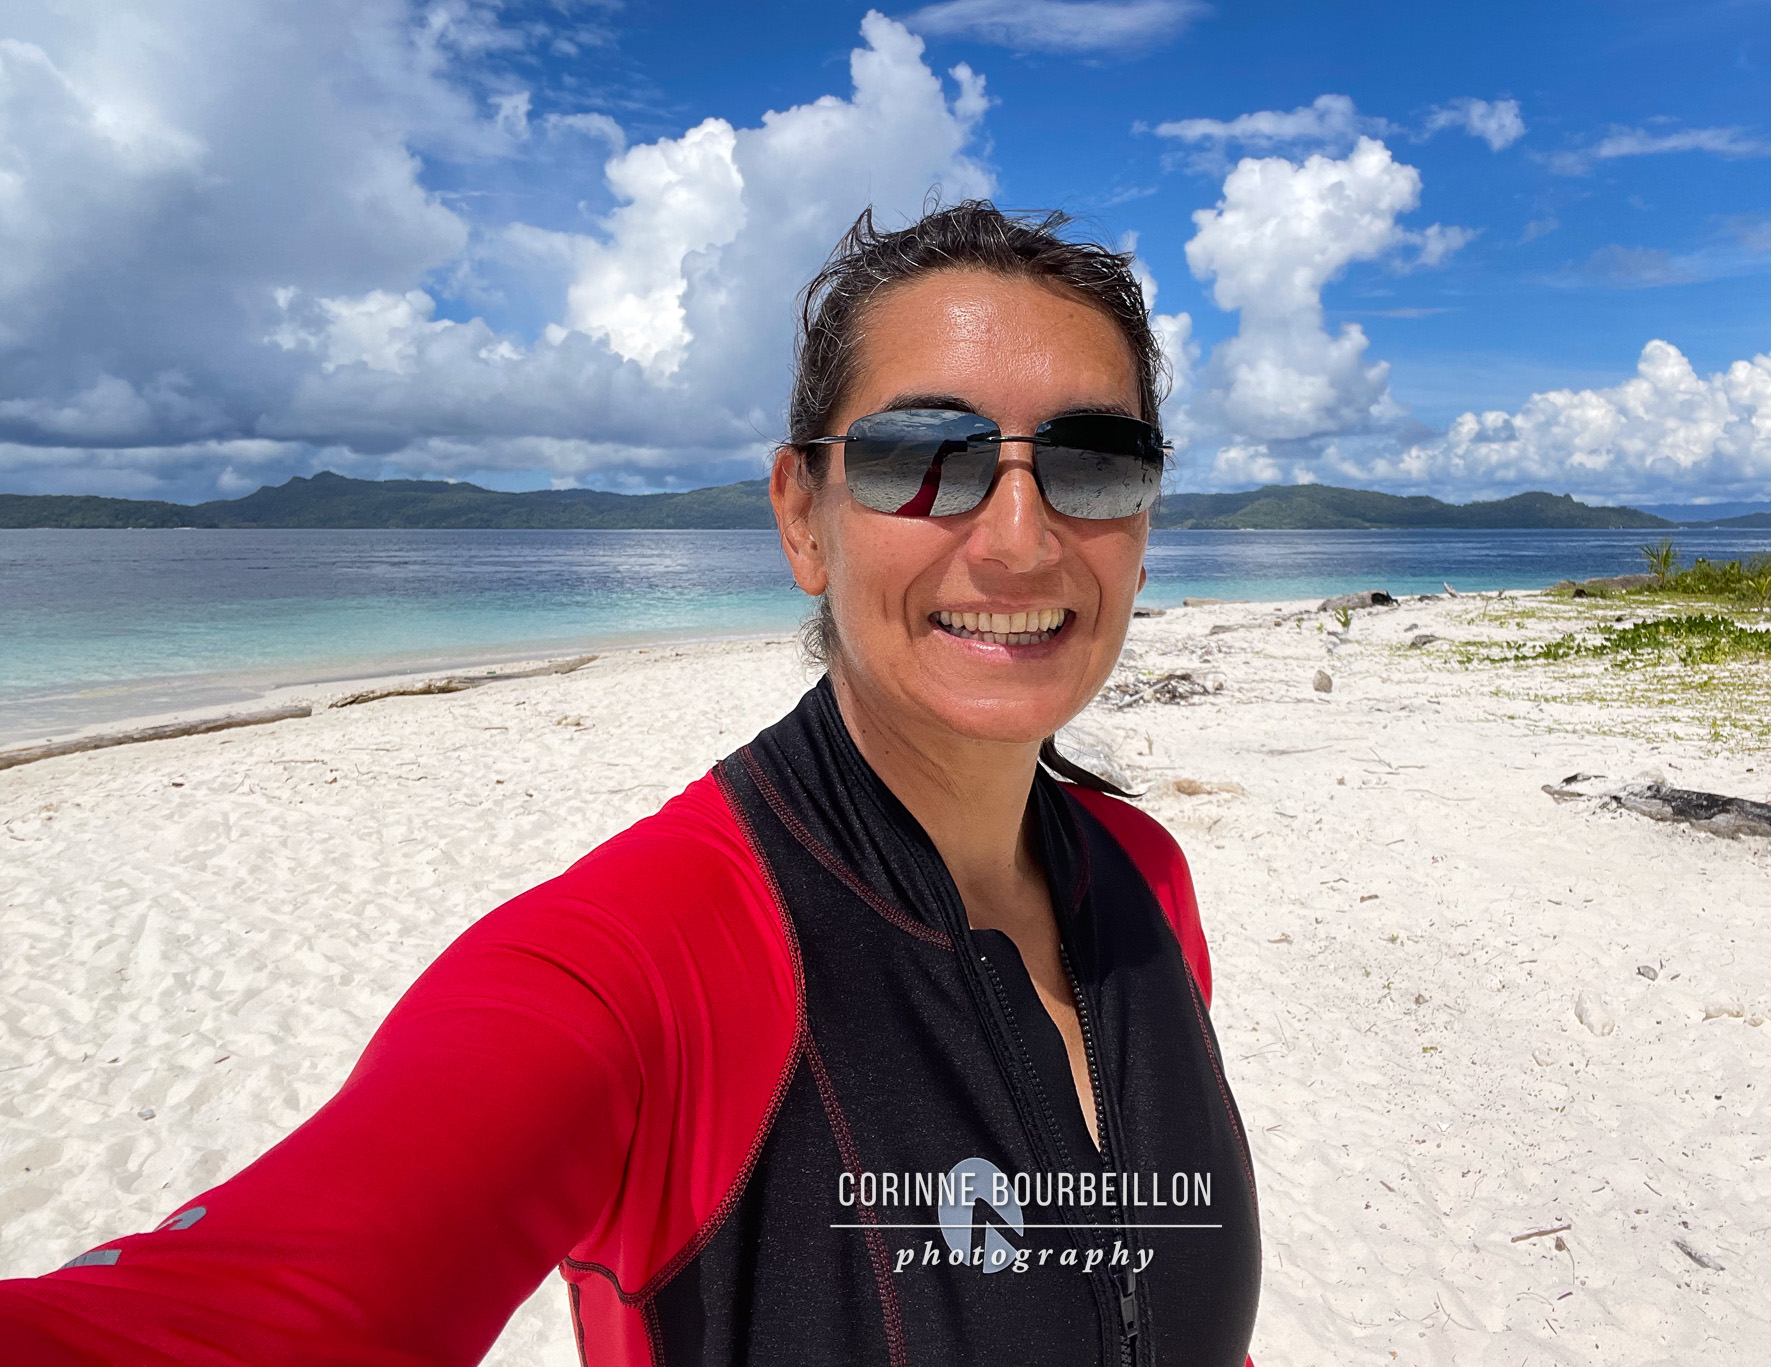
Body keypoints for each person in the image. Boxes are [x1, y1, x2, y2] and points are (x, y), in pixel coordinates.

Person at [0, 202, 1262, 1367]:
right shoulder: (644, 960)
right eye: (923, 454)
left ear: (1144, 523)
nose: (1020, 536)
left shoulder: (1142, 875)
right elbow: (264, 1301)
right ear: (802, 518)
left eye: (1095, 461)